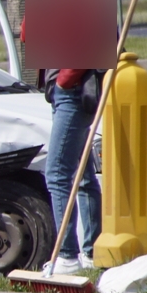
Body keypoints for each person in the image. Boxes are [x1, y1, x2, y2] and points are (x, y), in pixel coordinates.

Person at [42, 66, 102, 275]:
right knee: (83, 176)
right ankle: (92, 253)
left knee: (57, 174)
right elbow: (27, 37)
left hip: (73, 90)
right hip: (64, 90)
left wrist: (64, 81)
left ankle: (67, 256)